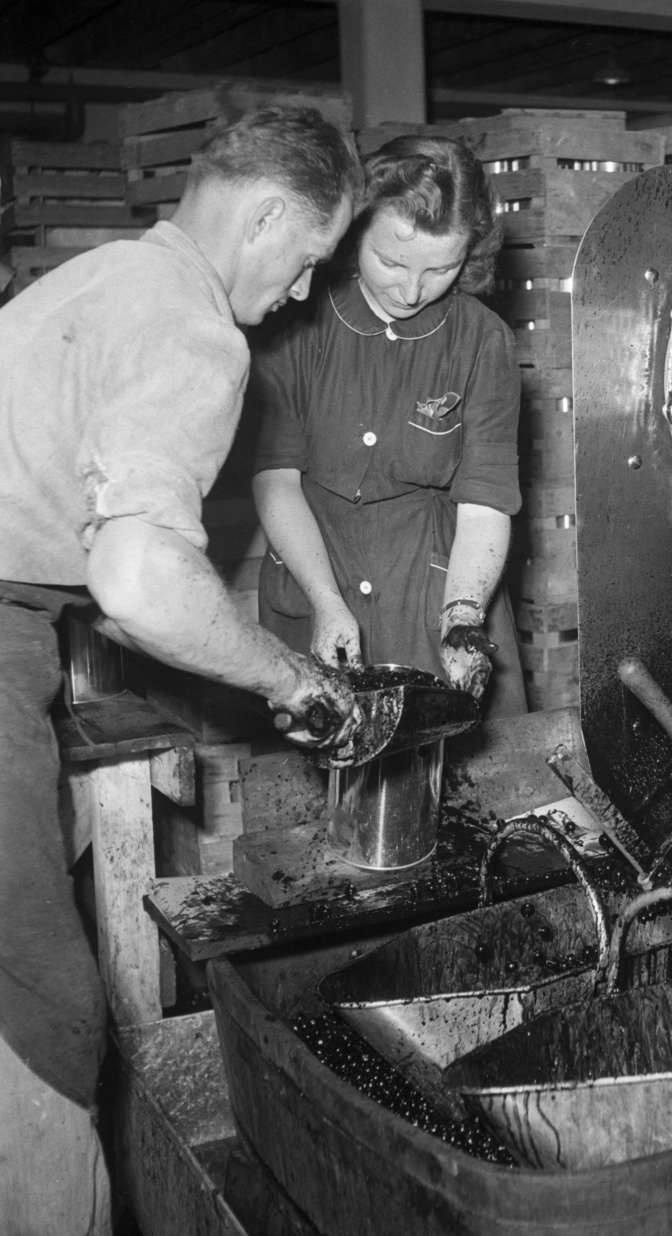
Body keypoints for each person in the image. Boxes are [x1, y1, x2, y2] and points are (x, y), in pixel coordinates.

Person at [0, 105, 364, 1232]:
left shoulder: (94, 275)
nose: (302, 293)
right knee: (47, 1015)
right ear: (264, 217)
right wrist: (289, 679)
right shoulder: (196, 331)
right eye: (307, 260)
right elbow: (142, 577)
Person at [250, 135, 526, 716]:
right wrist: (327, 602)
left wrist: (463, 619)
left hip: (434, 589)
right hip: (314, 572)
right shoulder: (295, 323)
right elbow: (276, 480)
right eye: (392, 262)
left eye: (441, 269)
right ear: (351, 236)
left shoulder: (484, 342)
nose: (411, 290)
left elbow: (484, 504)